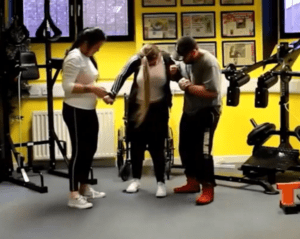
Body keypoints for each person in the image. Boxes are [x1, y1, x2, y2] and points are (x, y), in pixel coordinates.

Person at [103, 44, 177, 198]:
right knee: (136, 146)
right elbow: (122, 75)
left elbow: (178, 75)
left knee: (157, 147)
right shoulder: (136, 60)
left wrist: (179, 76)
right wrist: (112, 93)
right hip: (138, 108)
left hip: (158, 109)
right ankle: (136, 179)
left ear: (158, 55)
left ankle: (161, 183)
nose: (150, 64)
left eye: (153, 61)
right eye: (147, 62)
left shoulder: (166, 59)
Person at [170, 36, 222, 205]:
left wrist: (187, 86)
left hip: (208, 111)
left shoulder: (209, 63)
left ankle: (208, 188)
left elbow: (211, 92)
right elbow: (179, 69)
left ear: (193, 52)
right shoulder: (186, 61)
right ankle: (192, 182)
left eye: (184, 57)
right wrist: (174, 70)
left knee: (203, 152)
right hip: (190, 110)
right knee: (185, 148)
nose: (183, 60)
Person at [62, 27, 108, 209]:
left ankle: (84, 187)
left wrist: (101, 93)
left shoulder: (87, 57)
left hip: (89, 109)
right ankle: (73, 195)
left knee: (90, 149)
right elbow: (67, 86)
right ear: (86, 43)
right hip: (75, 110)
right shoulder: (73, 57)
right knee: (79, 151)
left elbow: (89, 81)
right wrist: (92, 90)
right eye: (97, 46)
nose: (98, 49)